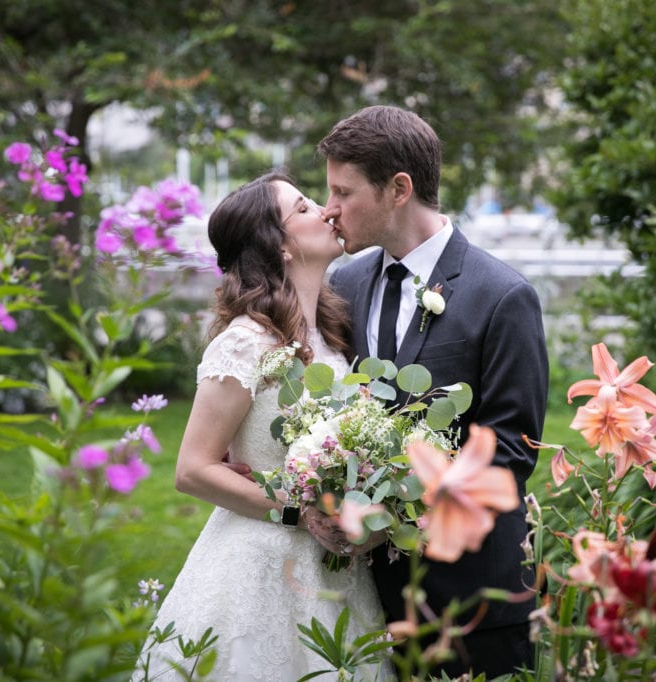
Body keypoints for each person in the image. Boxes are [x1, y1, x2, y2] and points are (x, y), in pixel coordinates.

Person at [317, 105, 549, 677]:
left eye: (343, 193)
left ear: (399, 189)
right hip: (366, 598)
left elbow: (513, 449)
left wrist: (400, 503)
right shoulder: (343, 283)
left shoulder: (503, 296)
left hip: (469, 599)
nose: (329, 210)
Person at [132, 172, 387, 681]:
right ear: (281, 246)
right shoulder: (245, 341)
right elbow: (192, 470)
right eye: (305, 207)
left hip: (339, 573)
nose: (327, 211)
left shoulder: (335, 339)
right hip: (261, 566)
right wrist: (300, 514)